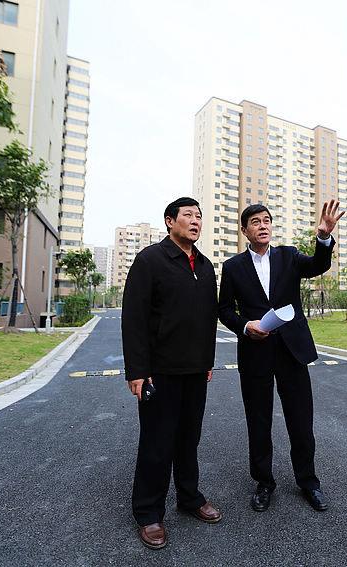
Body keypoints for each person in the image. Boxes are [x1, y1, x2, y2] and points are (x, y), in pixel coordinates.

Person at [218, 199, 345, 512]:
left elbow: (318, 265)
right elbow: (224, 310)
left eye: (266, 220)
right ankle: (264, 482)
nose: (263, 226)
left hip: (291, 350)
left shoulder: (289, 255)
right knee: (258, 421)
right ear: (244, 230)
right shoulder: (233, 267)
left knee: (301, 420)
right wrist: (245, 326)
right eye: (255, 222)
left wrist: (324, 238)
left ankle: (308, 482)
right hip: (255, 351)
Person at [121, 197, 221, 550]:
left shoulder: (205, 266)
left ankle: (189, 498)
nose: (195, 221)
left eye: (199, 216)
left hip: (195, 370)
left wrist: (207, 362)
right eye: (188, 215)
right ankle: (148, 512)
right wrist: (137, 370)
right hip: (159, 373)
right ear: (169, 221)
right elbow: (133, 318)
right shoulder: (150, 260)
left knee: (188, 440)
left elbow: (208, 318)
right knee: (157, 443)